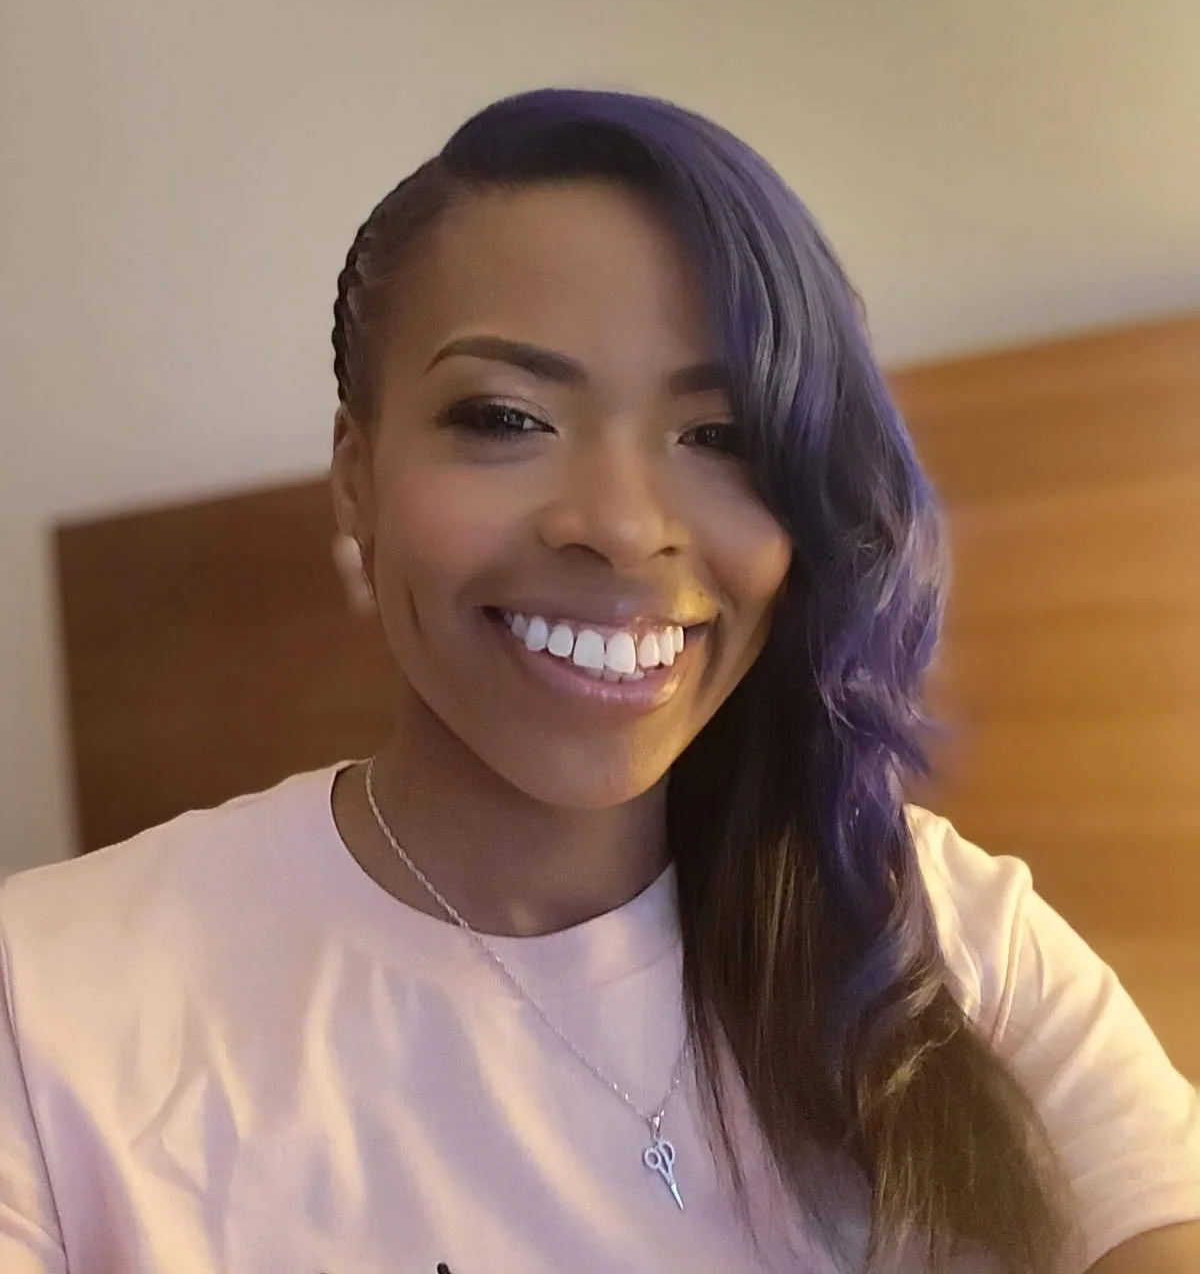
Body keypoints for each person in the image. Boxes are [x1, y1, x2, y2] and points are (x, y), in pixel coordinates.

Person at [1, 90, 1197, 1273]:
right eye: (507, 417)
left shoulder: (938, 938)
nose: (624, 527)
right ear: (355, 477)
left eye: (722, 436)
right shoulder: (49, 998)